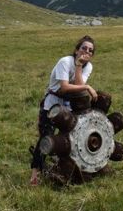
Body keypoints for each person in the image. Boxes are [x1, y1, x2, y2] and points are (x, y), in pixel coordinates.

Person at [29, 35, 98, 185]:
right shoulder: (65, 62)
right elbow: (64, 87)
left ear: (92, 55)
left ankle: (64, 170)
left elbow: (78, 89)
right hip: (52, 104)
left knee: (68, 139)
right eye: (83, 48)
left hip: (68, 105)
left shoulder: (88, 66)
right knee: (46, 139)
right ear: (76, 49)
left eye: (90, 50)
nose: (86, 51)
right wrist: (87, 87)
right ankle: (35, 174)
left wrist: (79, 66)